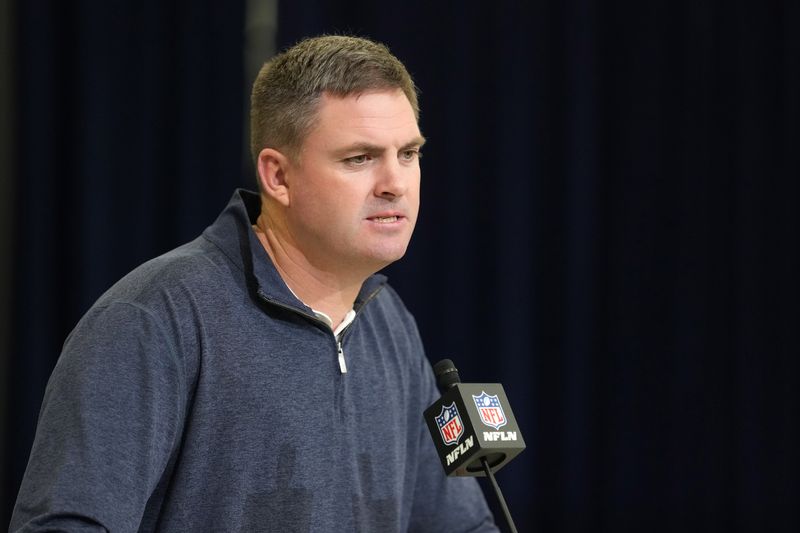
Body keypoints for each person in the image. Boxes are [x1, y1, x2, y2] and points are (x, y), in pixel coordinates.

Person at [11, 35, 498, 532]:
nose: (395, 182)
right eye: (360, 158)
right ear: (278, 176)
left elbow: (458, 525)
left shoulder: (389, 321)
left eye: (410, 153)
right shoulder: (153, 321)